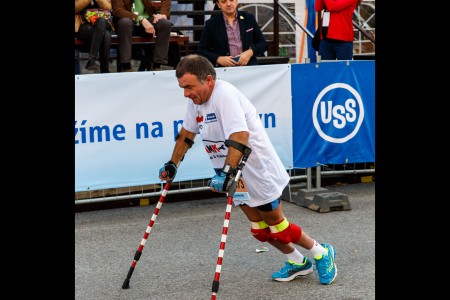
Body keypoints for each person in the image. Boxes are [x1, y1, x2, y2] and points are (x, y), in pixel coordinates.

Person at [159, 54, 337, 285]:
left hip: (257, 171)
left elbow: (240, 135)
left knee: (279, 228)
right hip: (233, 174)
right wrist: (173, 163)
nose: (186, 93)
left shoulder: (225, 95)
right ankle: (297, 262)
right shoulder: (196, 102)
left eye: (190, 87)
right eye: (183, 88)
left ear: (209, 80)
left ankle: (321, 253)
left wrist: (227, 172)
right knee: (260, 231)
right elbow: (186, 134)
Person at [196, 0, 267, 67]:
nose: (228, 4)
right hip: (224, 70)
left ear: (236, 1)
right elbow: (201, 51)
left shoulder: (249, 18)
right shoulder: (211, 24)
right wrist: (218, 59)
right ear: (218, 4)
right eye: (223, 1)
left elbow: (263, 43)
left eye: (231, 0)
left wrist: (250, 52)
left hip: (248, 66)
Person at [111, 0, 172, 72]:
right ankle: (126, 67)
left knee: (165, 24)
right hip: (128, 22)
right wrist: (141, 19)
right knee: (125, 22)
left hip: (148, 21)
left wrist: (163, 14)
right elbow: (118, 10)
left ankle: (157, 65)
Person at [75, 0, 113, 73]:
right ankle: (105, 71)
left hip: (102, 25)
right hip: (82, 25)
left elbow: (109, 7)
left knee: (102, 23)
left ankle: (91, 60)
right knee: (106, 35)